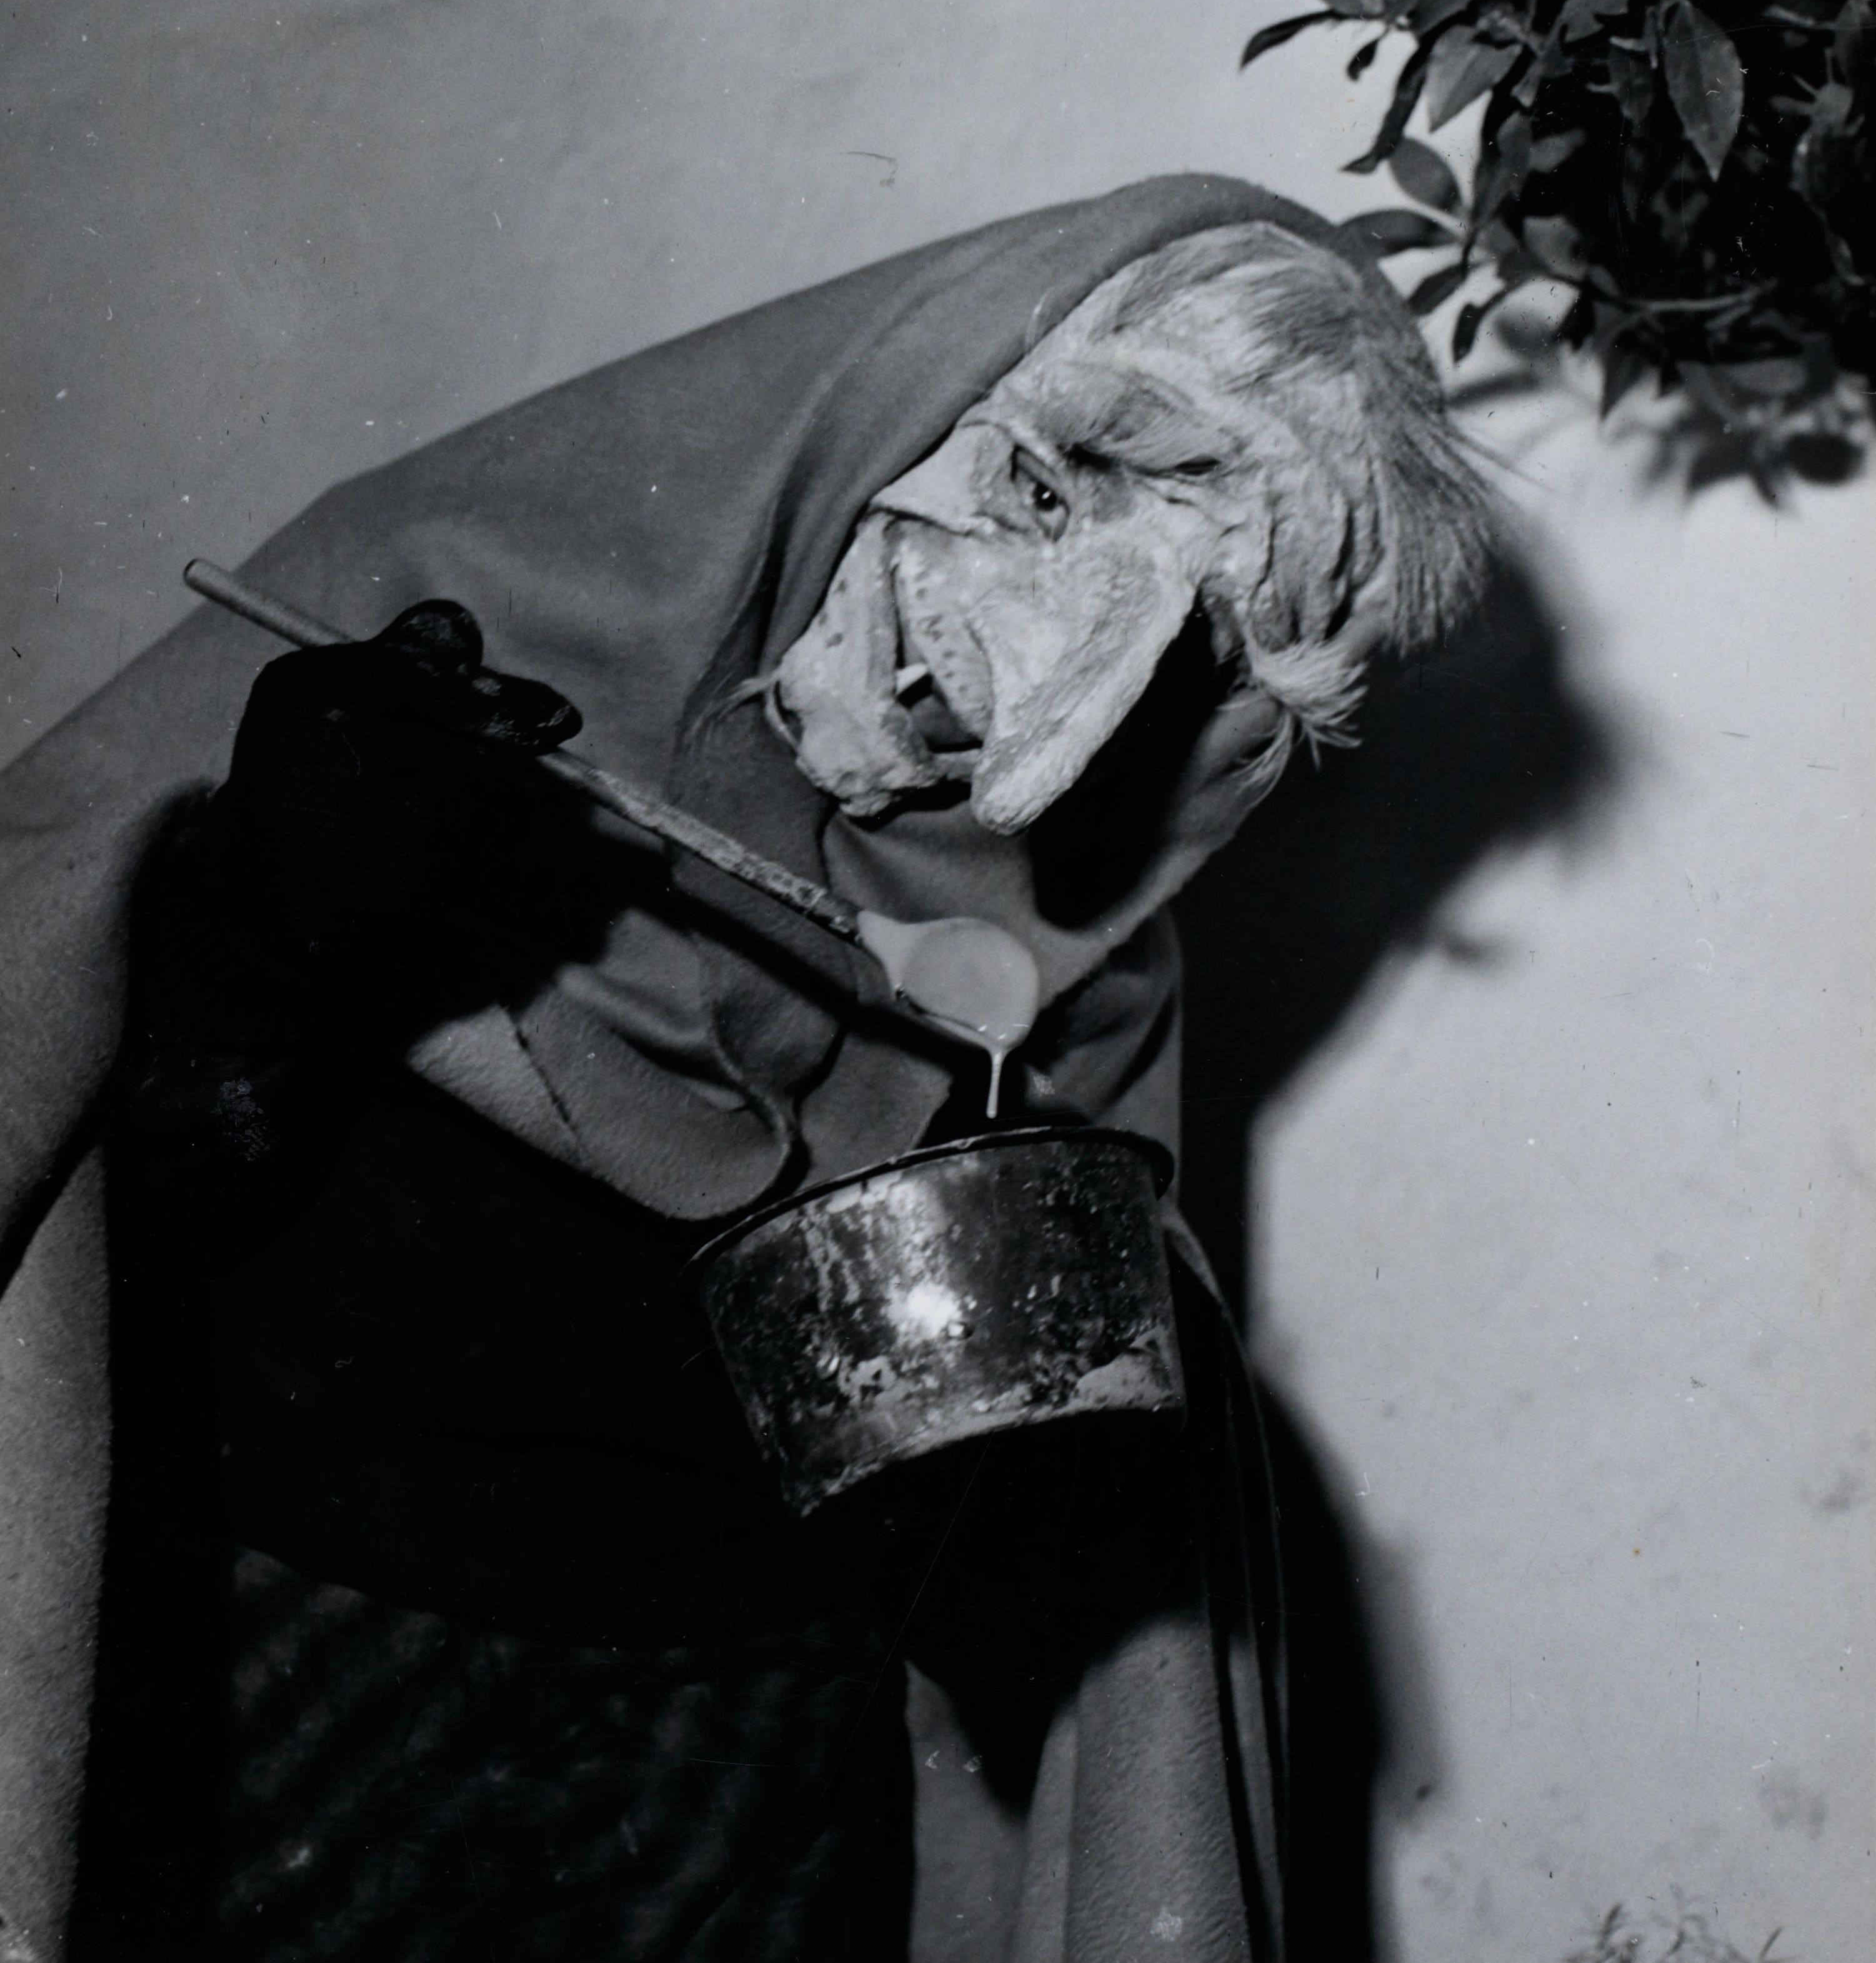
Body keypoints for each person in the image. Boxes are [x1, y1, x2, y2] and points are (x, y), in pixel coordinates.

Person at [0, 176, 1487, 1962]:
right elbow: (66, 1193)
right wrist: (255, 933)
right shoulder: (413, 629)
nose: (1035, 705)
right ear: (917, 387)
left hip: (744, 1780)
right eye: (1043, 492)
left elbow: (1024, 1616)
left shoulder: (1085, 977)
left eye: (1187, 661)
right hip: (247, 1676)